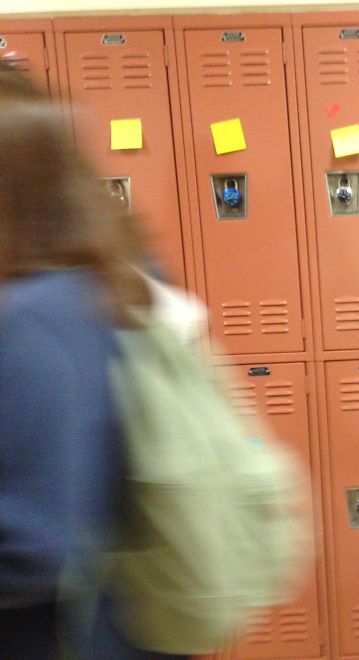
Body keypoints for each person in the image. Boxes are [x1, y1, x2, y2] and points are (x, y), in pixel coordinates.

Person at [0, 64, 184, 659]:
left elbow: (33, 546)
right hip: (137, 617)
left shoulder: (34, 318)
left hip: (64, 634)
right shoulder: (125, 275)